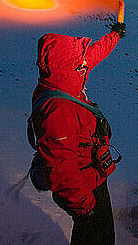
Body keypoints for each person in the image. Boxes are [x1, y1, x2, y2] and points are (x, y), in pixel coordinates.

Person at [30, 22, 125, 245]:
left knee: (94, 237)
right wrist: (84, 207)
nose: (85, 64)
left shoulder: (63, 81)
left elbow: (93, 55)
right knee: (96, 239)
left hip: (91, 175)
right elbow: (61, 167)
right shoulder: (58, 108)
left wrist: (114, 36)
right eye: (79, 62)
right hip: (84, 188)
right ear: (67, 66)